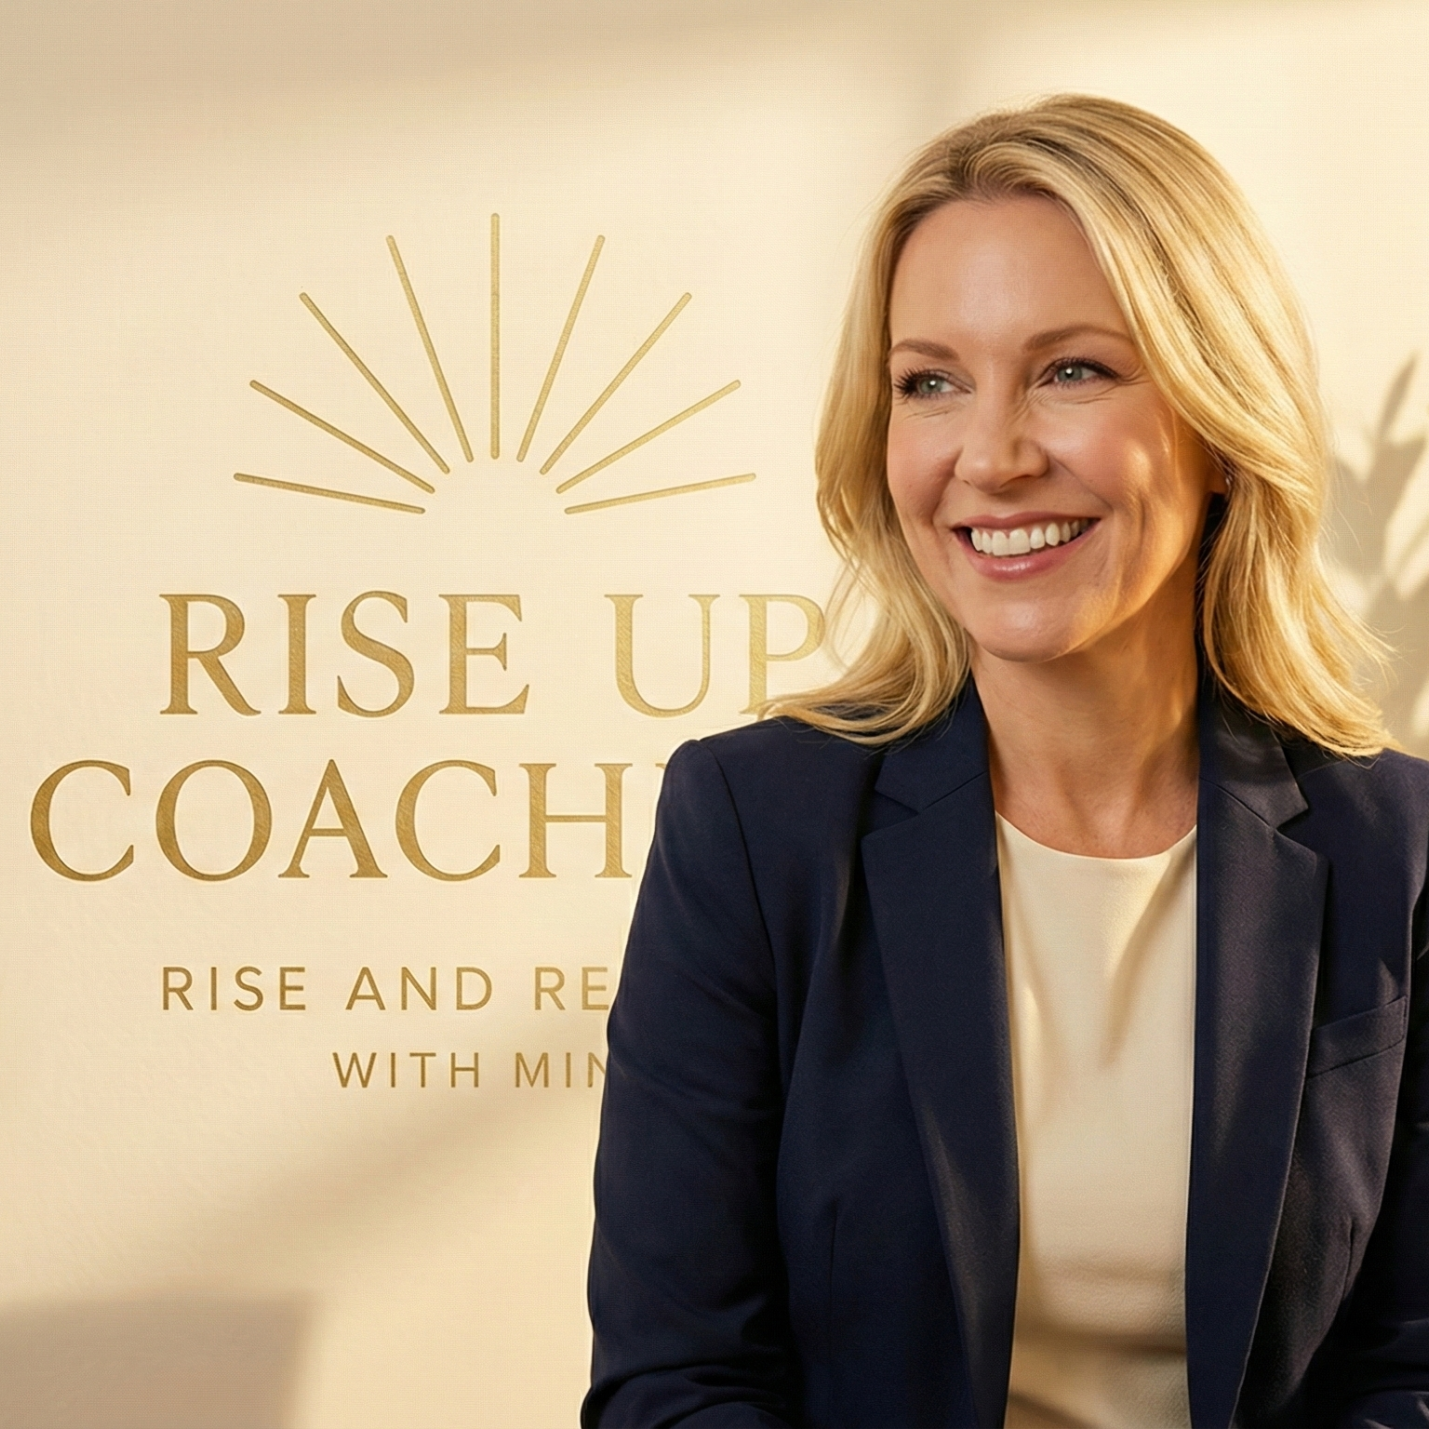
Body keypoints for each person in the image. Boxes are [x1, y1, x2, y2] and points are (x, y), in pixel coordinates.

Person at [582, 95, 1429, 1429]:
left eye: (1072, 371)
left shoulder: (1401, 848)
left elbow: (1411, 1372)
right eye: (931, 383)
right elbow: (676, 1381)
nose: (991, 455)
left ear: (1219, 426)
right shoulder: (752, 825)